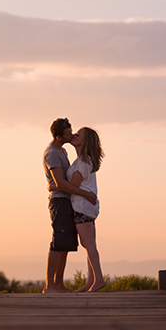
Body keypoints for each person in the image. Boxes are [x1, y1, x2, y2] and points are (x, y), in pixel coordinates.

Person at [43, 118, 97, 293]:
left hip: (68, 201)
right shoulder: (52, 153)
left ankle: (59, 283)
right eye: (68, 134)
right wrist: (85, 194)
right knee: (58, 242)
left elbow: (62, 182)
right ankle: (49, 285)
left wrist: (55, 185)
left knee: (65, 243)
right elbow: (60, 183)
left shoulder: (63, 151)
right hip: (60, 201)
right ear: (59, 137)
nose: (72, 134)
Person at [65, 127, 105, 292]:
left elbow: (73, 187)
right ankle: (91, 281)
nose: (74, 135)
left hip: (82, 207)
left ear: (85, 141)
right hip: (88, 207)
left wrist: (53, 185)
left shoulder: (82, 162)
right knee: (89, 244)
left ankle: (98, 279)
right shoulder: (84, 160)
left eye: (78, 134)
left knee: (88, 244)